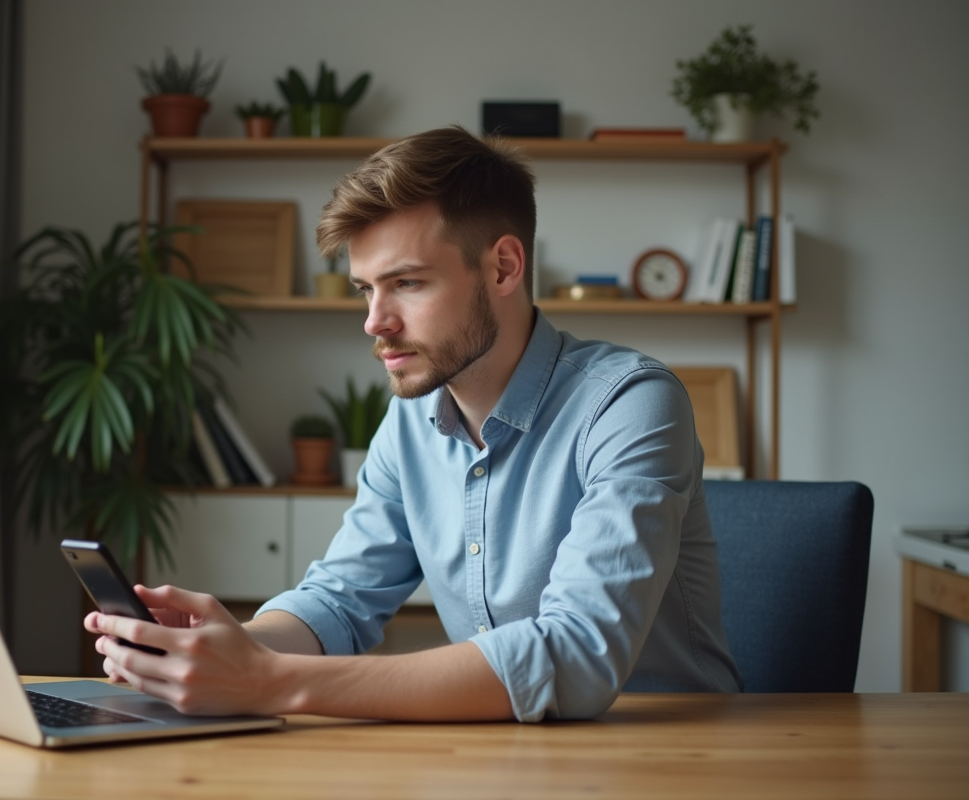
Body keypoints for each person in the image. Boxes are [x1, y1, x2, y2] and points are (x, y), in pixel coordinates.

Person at [86, 125, 743, 721]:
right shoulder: (410, 421)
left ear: (503, 266)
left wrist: (269, 682)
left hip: (663, 757)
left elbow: (574, 658)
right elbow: (340, 601)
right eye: (365, 289)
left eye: (408, 283)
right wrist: (223, 650)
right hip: (502, 756)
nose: (375, 322)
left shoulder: (631, 404)